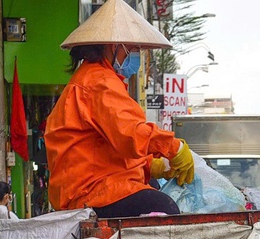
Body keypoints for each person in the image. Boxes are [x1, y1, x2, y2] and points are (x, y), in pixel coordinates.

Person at [45, 0, 194, 217]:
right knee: (165, 207)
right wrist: (174, 148)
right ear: (114, 46)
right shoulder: (100, 82)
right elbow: (131, 134)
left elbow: (111, 147)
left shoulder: (92, 78)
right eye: (133, 49)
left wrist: (151, 166)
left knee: (153, 187)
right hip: (91, 190)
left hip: (89, 186)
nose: (136, 56)